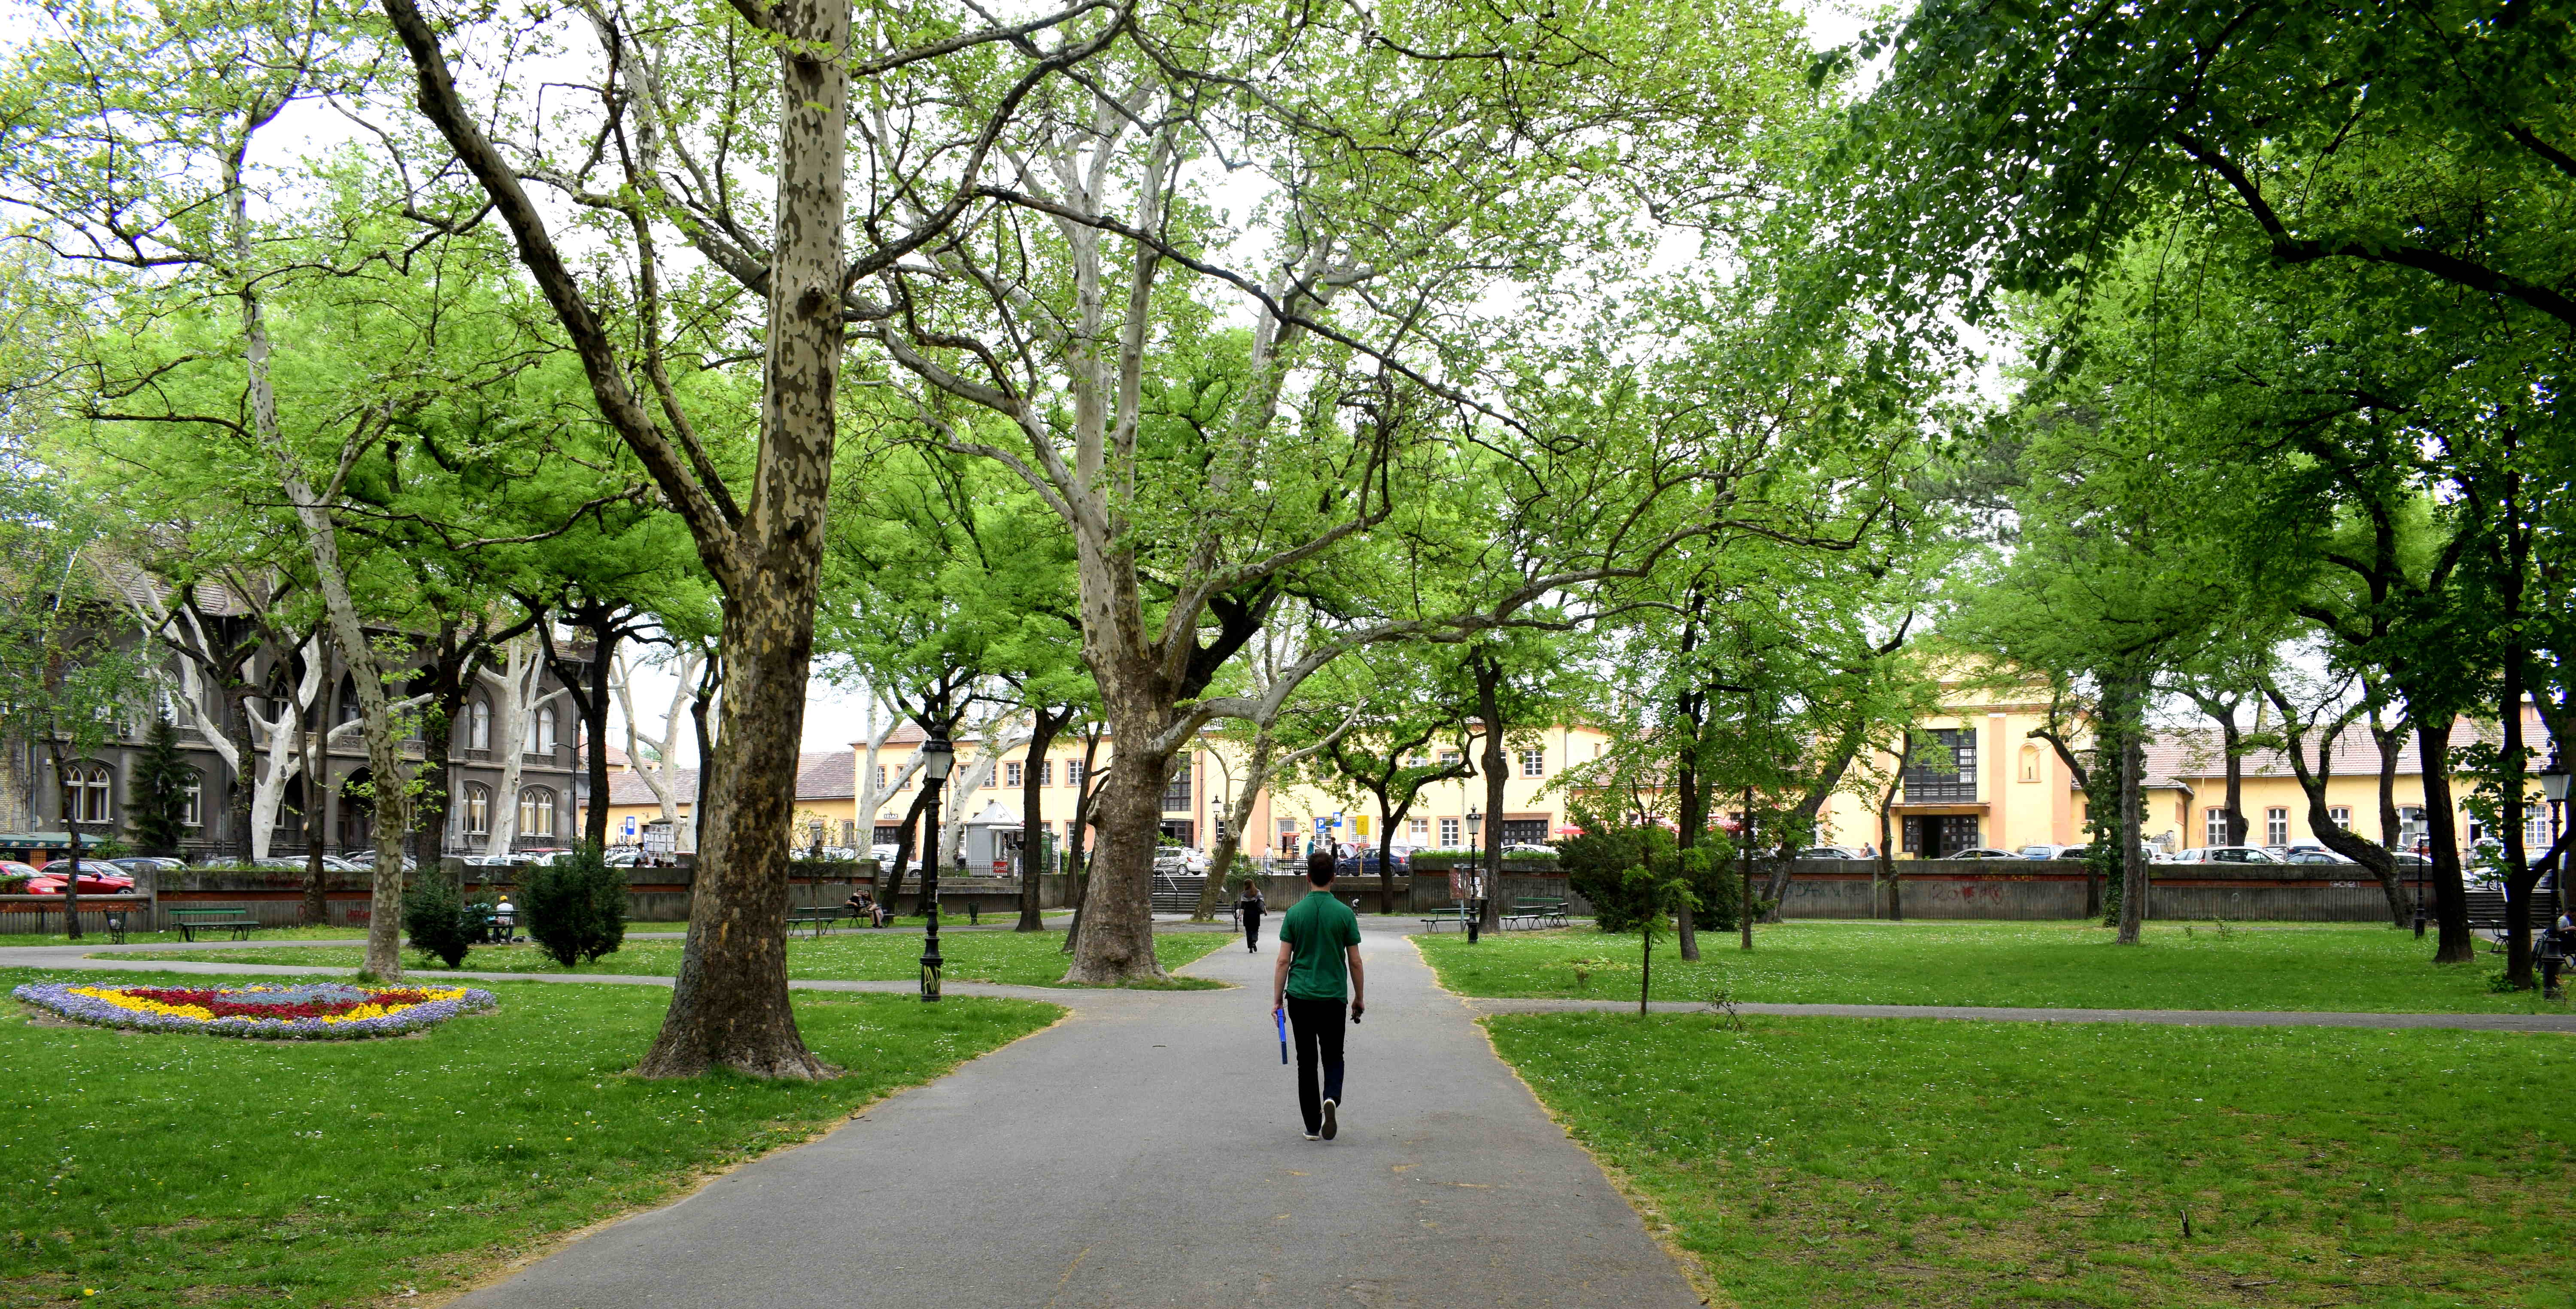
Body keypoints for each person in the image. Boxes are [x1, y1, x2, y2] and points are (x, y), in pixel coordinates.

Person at [1273, 849, 1364, 1141]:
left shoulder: (1294, 914)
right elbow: (1355, 961)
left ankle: (1313, 1126)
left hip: (1300, 996)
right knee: (1334, 1056)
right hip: (1333, 997)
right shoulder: (1345, 914)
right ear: (1333, 878)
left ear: (1308, 877)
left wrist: (1277, 1001)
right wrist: (1359, 998)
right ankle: (1332, 1098)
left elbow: (1283, 961)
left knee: (1307, 1062)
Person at [1237, 880, 1267, 953]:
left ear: (1246, 885)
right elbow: (1262, 902)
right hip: (1256, 914)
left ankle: (1250, 948)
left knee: (1248, 931)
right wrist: (1265, 911)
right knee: (1255, 929)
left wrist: (1240, 916)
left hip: (1247, 914)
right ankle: (1254, 941)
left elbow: (1243, 906)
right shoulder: (1257, 892)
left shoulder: (1244, 894)